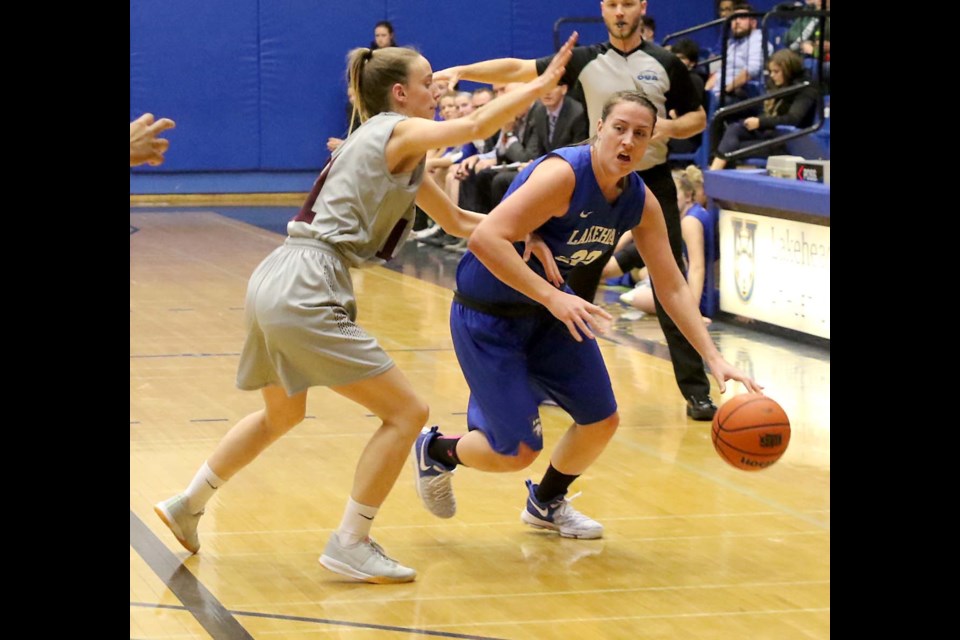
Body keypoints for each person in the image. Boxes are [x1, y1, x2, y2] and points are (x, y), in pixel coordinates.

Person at [154, 35, 578, 584]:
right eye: (428, 83)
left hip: (278, 275)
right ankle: (351, 540)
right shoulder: (394, 130)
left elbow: (458, 223)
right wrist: (538, 85)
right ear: (400, 94)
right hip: (309, 281)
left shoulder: (394, 150)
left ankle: (189, 502)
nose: (438, 91)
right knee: (406, 413)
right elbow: (474, 129)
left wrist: (521, 235)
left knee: (282, 414)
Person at [411, 91, 761, 538]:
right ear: (599, 128)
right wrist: (553, 297)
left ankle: (546, 503)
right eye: (619, 129)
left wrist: (713, 357)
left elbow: (671, 284)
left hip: (553, 314)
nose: (628, 141)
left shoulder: (640, 199)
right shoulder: (564, 175)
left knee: (601, 420)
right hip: (490, 315)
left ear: (651, 141)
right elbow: (486, 240)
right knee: (516, 450)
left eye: (640, 134)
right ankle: (439, 452)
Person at [434, 0, 721, 421]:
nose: (620, 12)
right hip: (586, 181)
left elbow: (697, 116)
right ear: (603, 10)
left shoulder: (664, 62)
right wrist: (464, 71)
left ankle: (697, 388)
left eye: (628, 4)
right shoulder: (586, 60)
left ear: (642, 8)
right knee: (574, 286)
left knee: (668, 281)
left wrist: (663, 129)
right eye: (612, 4)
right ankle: (552, 372)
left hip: (649, 178)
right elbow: (518, 69)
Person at [620, 166, 718, 322]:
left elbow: (697, 267)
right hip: (694, 290)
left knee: (636, 298)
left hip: (701, 296)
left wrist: (694, 313)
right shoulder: (691, 216)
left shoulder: (690, 222)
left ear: (688, 196)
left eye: (674, 195)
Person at [710, 48, 817, 170]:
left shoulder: (806, 88)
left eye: (776, 72)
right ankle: (714, 173)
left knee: (730, 148)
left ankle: (713, 174)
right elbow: (764, 111)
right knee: (733, 129)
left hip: (788, 141)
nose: (772, 75)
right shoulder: (776, 85)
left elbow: (793, 119)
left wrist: (760, 122)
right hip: (770, 135)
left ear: (788, 70)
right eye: (770, 71)